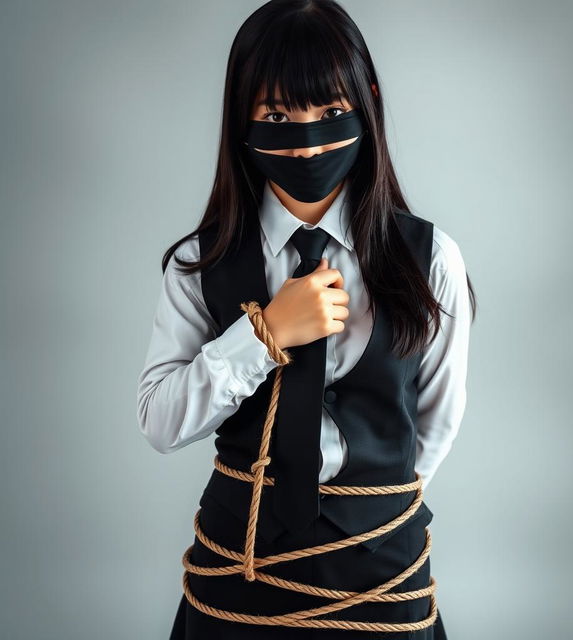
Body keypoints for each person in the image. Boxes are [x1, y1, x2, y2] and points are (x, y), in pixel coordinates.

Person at [136, 1, 476, 638]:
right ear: (244, 117)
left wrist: (362, 518)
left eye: (330, 112)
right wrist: (263, 335)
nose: (310, 139)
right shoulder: (196, 263)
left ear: (367, 103)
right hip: (239, 576)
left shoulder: (432, 259)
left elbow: (437, 421)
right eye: (277, 115)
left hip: (383, 578)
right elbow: (158, 420)